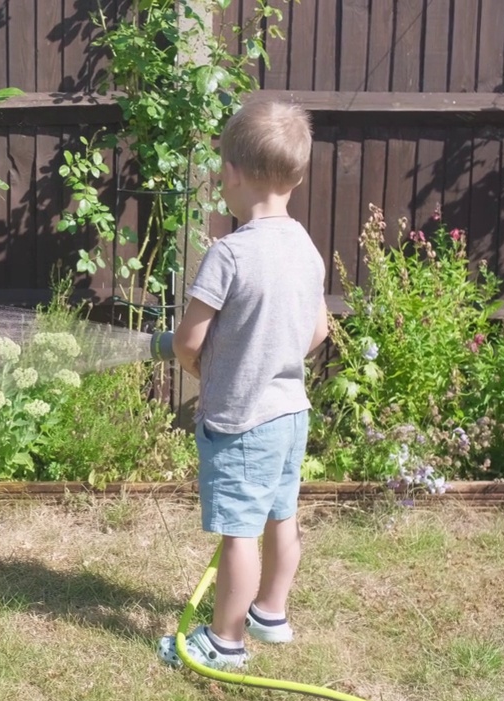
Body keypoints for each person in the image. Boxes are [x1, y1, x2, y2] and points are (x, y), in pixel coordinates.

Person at [157, 100, 329, 671]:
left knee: (238, 533)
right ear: (297, 176)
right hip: (290, 413)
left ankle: (226, 640)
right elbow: (319, 330)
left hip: (241, 422)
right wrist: (272, 356)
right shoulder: (305, 248)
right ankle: (272, 612)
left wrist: (202, 368)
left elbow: (188, 341)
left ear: (229, 173)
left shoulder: (228, 254)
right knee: (282, 515)